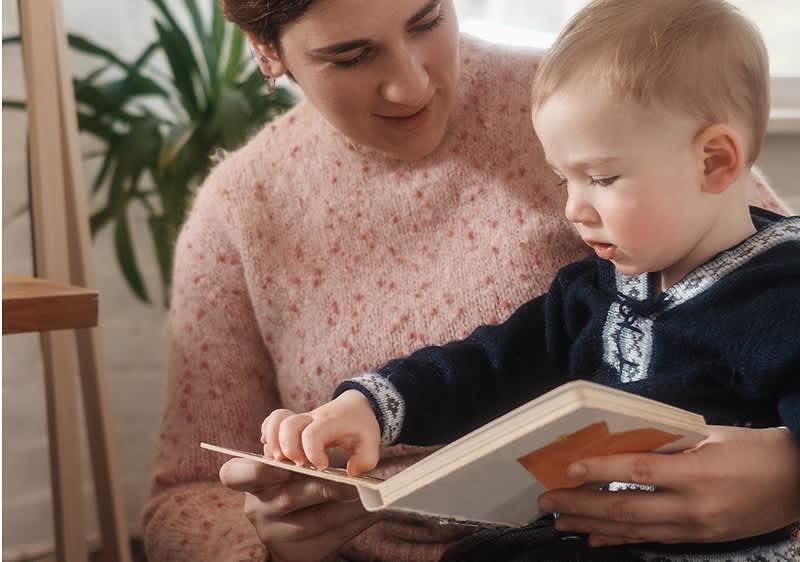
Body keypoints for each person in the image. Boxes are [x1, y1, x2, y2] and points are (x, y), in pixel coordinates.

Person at [140, 0, 799, 561]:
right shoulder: (592, 282)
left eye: (426, 20)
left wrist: (789, 479)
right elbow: (486, 364)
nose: (409, 85)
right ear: (268, 49)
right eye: (350, 56)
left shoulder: (622, 107)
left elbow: (729, 217)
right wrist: (367, 409)